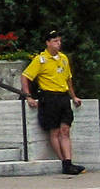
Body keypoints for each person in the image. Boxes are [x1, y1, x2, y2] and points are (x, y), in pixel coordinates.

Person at [21, 30, 84, 175]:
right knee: (54, 130)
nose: (58, 44)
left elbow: (68, 79)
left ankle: (69, 162)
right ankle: (64, 163)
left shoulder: (63, 58)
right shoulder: (40, 59)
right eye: (55, 41)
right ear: (48, 43)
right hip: (49, 97)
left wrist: (73, 96)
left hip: (62, 97)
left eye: (59, 41)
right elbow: (25, 76)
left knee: (65, 129)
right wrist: (28, 96)